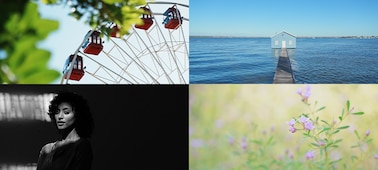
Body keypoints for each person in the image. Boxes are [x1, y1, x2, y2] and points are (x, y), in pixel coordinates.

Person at [37, 91, 94, 170]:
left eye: (66, 112)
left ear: (78, 115)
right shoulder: (46, 149)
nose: (60, 116)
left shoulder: (82, 145)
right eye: (57, 112)